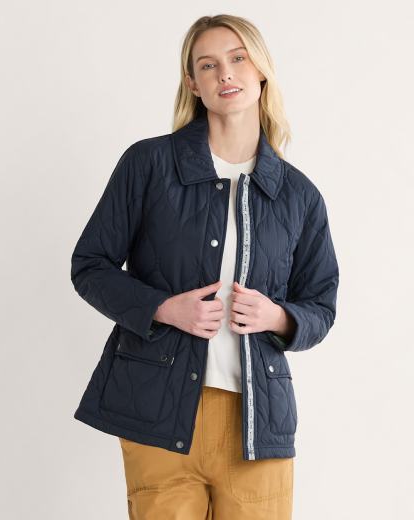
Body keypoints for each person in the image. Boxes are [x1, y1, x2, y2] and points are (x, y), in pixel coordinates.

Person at [71, 13, 339, 520]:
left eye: (238, 58)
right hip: (158, 407)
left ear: (261, 71)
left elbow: (321, 305)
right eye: (208, 65)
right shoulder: (149, 165)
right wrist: (163, 308)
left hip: (257, 420)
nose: (226, 73)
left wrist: (278, 316)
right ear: (193, 83)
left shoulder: (299, 195)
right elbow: (90, 264)